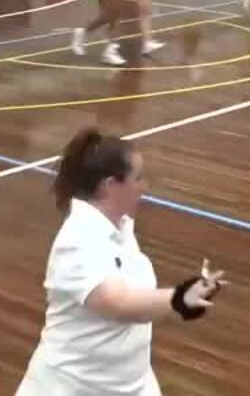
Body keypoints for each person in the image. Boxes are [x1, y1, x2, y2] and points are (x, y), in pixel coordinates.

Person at [16, 129, 226, 396]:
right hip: (72, 387)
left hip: (130, 384)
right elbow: (118, 303)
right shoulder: (78, 240)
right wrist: (180, 298)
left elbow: (140, 301)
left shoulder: (121, 229)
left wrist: (190, 298)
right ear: (110, 185)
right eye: (137, 178)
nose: (144, 186)